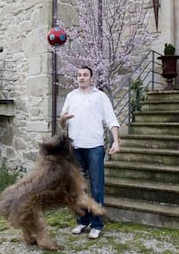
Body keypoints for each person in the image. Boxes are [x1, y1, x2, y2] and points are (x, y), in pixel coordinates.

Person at [60, 66, 120, 239]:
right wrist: (63, 119)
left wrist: (116, 141)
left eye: (85, 75)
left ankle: (97, 224)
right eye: (79, 75)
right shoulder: (71, 96)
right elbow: (62, 122)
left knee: (97, 186)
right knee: (78, 188)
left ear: (91, 78)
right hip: (76, 148)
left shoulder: (100, 97)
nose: (81, 78)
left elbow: (111, 120)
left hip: (95, 147)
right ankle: (82, 221)